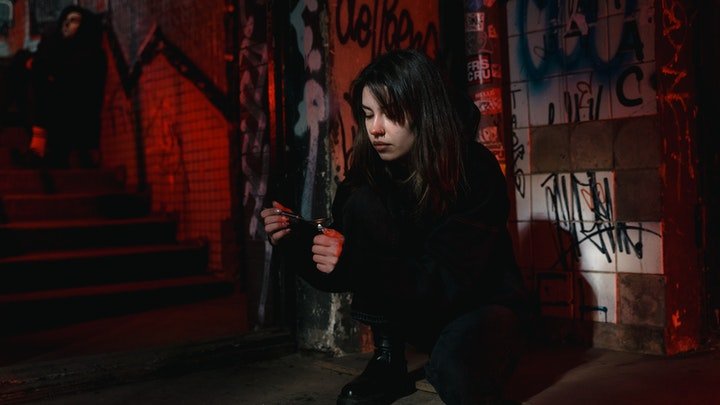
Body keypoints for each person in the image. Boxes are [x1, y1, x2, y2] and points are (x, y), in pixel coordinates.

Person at [262, 49, 532, 405]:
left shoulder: (475, 172)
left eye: (390, 114)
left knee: (457, 374)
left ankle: (458, 352)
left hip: (479, 306)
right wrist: (294, 240)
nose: (375, 128)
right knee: (362, 201)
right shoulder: (368, 177)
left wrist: (357, 262)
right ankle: (388, 358)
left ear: (423, 111)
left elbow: (448, 277)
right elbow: (345, 270)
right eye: (369, 114)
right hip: (416, 309)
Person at [28, 5, 107, 168]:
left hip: (74, 112)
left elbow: (76, 83)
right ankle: (40, 142)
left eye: (74, 21)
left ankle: (44, 145)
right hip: (55, 109)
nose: (67, 24)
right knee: (25, 64)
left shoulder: (93, 55)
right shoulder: (56, 46)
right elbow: (43, 68)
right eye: (65, 20)